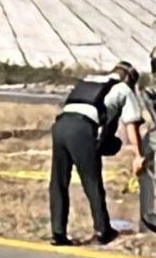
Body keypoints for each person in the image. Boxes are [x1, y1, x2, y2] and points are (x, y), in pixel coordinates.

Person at [49, 61, 146, 247]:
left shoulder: (89, 80)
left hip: (60, 126)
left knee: (58, 182)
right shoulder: (123, 89)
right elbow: (131, 124)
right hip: (81, 128)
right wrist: (138, 155)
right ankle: (103, 230)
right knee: (92, 181)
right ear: (129, 78)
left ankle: (58, 233)